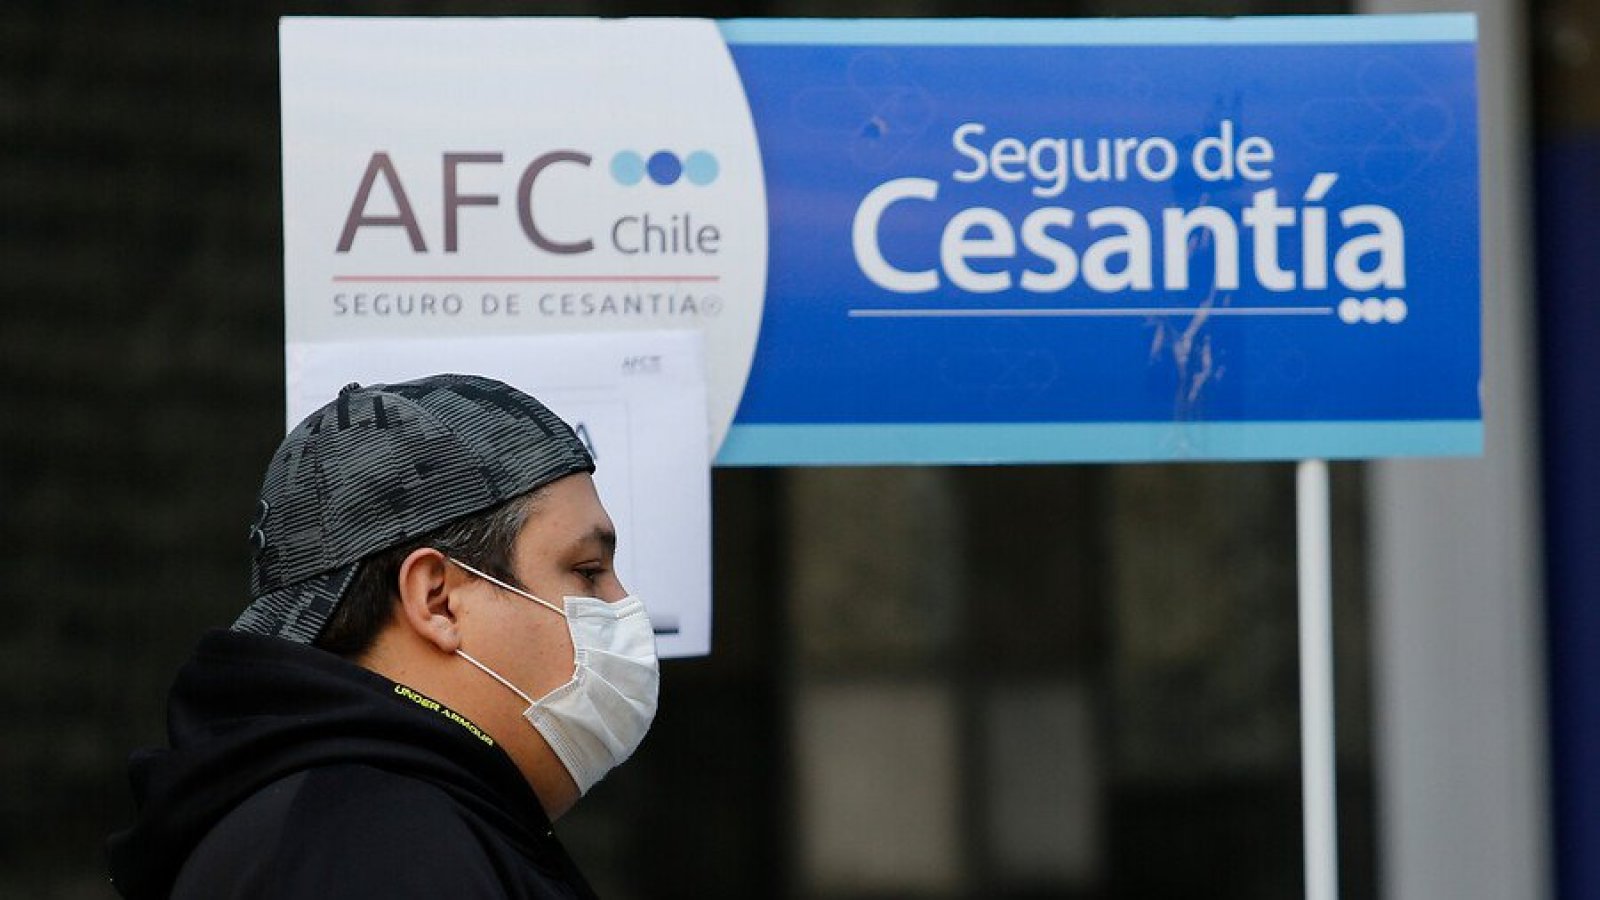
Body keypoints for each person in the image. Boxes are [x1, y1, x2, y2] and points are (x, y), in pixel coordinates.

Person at [106, 374, 659, 899]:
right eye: (587, 571)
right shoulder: (379, 849)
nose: (621, 604)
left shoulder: (344, 822)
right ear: (436, 599)